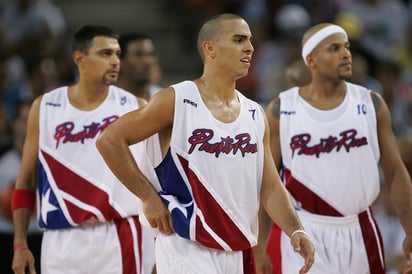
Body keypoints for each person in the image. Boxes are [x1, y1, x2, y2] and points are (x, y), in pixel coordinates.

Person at [96, 13, 315, 274]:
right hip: (187, 244)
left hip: (237, 248)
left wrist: (296, 229)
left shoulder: (255, 112)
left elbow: (269, 187)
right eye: (238, 39)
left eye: (250, 40)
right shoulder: (176, 99)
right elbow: (109, 140)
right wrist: (148, 198)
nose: (250, 47)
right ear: (209, 48)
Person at [260, 22, 412, 274]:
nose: (346, 54)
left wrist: (410, 227)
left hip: (361, 228)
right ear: (311, 59)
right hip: (304, 230)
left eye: (347, 47)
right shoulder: (281, 109)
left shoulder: (371, 103)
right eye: (334, 48)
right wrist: (260, 245)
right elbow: (266, 183)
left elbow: (395, 172)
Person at [11, 25, 161, 274]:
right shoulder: (46, 106)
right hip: (61, 238)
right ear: (80, 59)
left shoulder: (134, 106)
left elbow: (156, 178)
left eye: (117, 54)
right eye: (105, 54)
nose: (115, 61)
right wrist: (19, 244)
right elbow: (25, 180)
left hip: (120, 232)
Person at [117, 33, 162, 101]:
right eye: (138, 55)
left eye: (151, 54)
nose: (147, 62)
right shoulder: (105, 102)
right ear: (120, 62)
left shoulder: (165, 99)